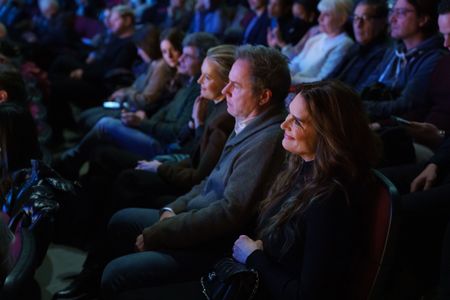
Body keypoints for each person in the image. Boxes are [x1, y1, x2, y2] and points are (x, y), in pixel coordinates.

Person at [97, 44, 289, 299]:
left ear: (264, 96)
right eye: (227, 82)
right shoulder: (247, 120)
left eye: (236, 85)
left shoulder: (267, 139)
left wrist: (163, 231)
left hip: (213, 245)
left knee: (115, 272)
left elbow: (228, 212)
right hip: (195, 217)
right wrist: (172, 210)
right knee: (121, 221)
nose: (225, 90)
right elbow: (209, 179)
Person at [232, 80, 381, 299]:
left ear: (329, 134)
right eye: (288, 114)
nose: (284, 125)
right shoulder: (300, 166)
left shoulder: (331, 200)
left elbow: (308, 295)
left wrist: (254, 257)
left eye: (298, 122)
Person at [54, 32, 218, 179]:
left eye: (188, 56)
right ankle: (73, 170)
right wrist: (141, 120)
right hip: (154, 132)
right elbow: (163, 112)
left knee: (105, 125)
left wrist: (142, 123)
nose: (180, 58)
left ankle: (67, 162)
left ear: (204, 62)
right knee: (103, 132)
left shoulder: (199, 91)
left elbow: (176, 133)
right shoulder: (187, 83)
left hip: (163, 147)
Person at [361, 0, 446, 121]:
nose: (392, 19)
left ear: (422, 19)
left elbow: (404, 105)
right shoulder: (393, 51)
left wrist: (358, 106)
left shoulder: (435, 58)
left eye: (400, 13)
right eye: (392, 12)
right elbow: (366, 86)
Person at [327, 0, 389, 92]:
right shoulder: (355, 47)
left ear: (382, 22)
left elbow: (360, 93)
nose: (358, 24)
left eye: (365, 18)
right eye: (355, 18)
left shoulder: (384, 55)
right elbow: (331, 77)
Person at [288, 0, 354, 84]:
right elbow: (296, 62)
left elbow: (323, 80)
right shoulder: (317, 38)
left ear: (342, 19)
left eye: (326, 15)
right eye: (321, 13)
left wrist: (290, 80)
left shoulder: (345, 43)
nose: (320, 19)